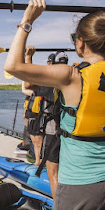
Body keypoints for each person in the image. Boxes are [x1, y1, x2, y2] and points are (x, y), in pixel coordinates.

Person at [4, 0, 105, 210]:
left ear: (80, 43)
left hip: (80, 180)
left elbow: (12, 66)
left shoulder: (71, 76)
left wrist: (26, 22)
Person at [25, 49, 69, 198]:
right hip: (74, 132)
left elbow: (27, 83)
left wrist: (28, 57)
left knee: (53, 173)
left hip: (54, 131)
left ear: (52, 65)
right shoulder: (76, 78)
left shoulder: (49, 83)